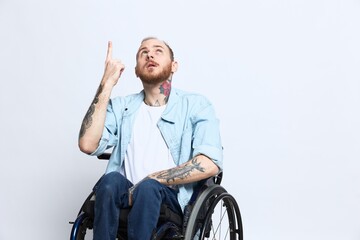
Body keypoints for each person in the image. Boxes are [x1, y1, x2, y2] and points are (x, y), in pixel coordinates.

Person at [78, 37, 223, 240]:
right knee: (109, 181)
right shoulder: (122, 107)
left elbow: (209, 163)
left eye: (158, 50)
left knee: (148, 188)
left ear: (174, 66)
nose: (150, 55)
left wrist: (154, 178)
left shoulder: (196, 105)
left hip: (171, 200)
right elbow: (87, 144)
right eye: (143, 52)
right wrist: (107, 83)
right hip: (124, 196)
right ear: (136, 70)